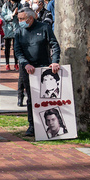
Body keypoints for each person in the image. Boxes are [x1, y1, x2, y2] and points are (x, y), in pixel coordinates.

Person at [15, 8, 60, 137]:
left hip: (44, 67)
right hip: (28, 69)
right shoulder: (19, 31)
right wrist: (25, 63)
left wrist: (55, 61)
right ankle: (32, 125)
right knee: (31, 98)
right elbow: (17, 51)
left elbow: (54, 45)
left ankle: (50, 125)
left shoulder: (44, 27)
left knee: (47, 97)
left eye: (22, 19)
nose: (20, 21)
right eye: (19, 19)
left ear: (30, 18)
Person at [1, 0, 21, 72]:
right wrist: (12, 15)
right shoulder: (5, 5)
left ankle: (16, 64)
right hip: (7, 27)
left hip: (16, 27)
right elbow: (3, 16)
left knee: (16, 47)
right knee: (7, 47)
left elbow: (22, 14)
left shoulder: (20, 5)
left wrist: (17, 14)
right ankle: (7, 63)